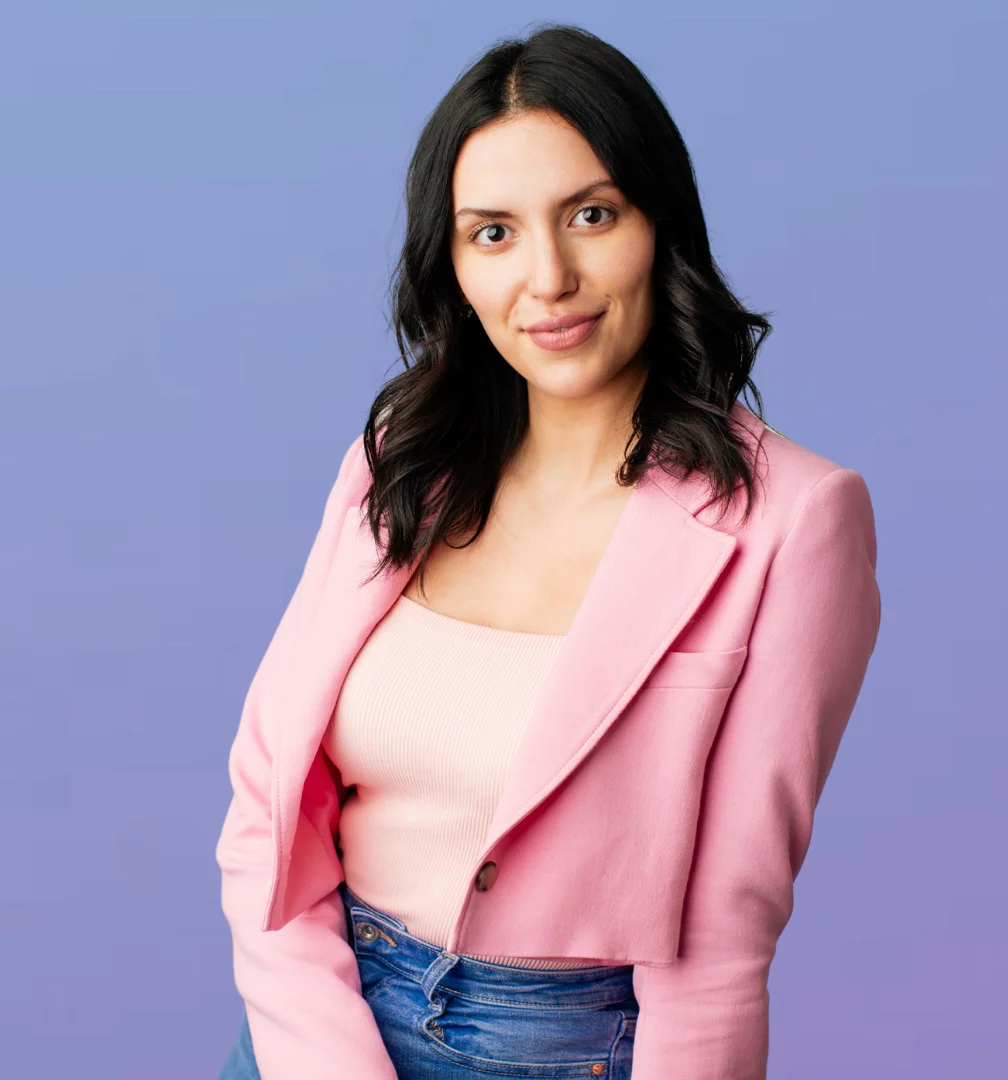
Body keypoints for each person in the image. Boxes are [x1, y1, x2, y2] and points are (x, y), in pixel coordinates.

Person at [215, 22, 881, 1080]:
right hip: (310, 1030)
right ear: (454, 263)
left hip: (559, 1050)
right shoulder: (400, 459)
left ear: (659, 224)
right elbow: (265, 807)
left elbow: (721, 938)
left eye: (591, 215)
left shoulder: (795, 521)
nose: (550, 277)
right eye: (494, 233)